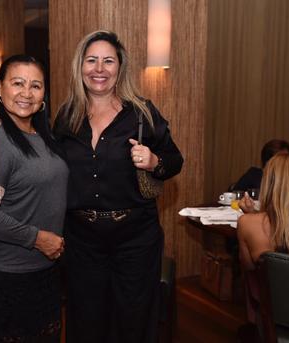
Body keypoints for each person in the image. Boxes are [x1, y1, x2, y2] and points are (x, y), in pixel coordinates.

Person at [53, 30, 183, 343]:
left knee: (133, 323)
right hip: (82, 241)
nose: (99, 69)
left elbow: (175, 160)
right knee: (86, 322)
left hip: (135, 239)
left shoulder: (141, 112)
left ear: (120, 67)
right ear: (80, 66)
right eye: (92, 60)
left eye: (108, 61)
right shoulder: (65, 116)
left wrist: (153, 161)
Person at [0, 54, 68, 343]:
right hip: (5, 276)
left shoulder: (41, 131)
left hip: (44, 271)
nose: (27, 93)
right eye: (17, 83)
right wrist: (38, 239)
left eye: (36, 85)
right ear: (0, 88)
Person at [237, 153, 289, 324]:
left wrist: (251, 216)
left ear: (267, 184)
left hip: (272, 309)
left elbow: (248, 267)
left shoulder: (247, 223)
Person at [236, 139, 289, 213]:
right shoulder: (254, 174)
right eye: (280, 160)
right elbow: (235, 194)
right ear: (268, 161)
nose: (284, 163)